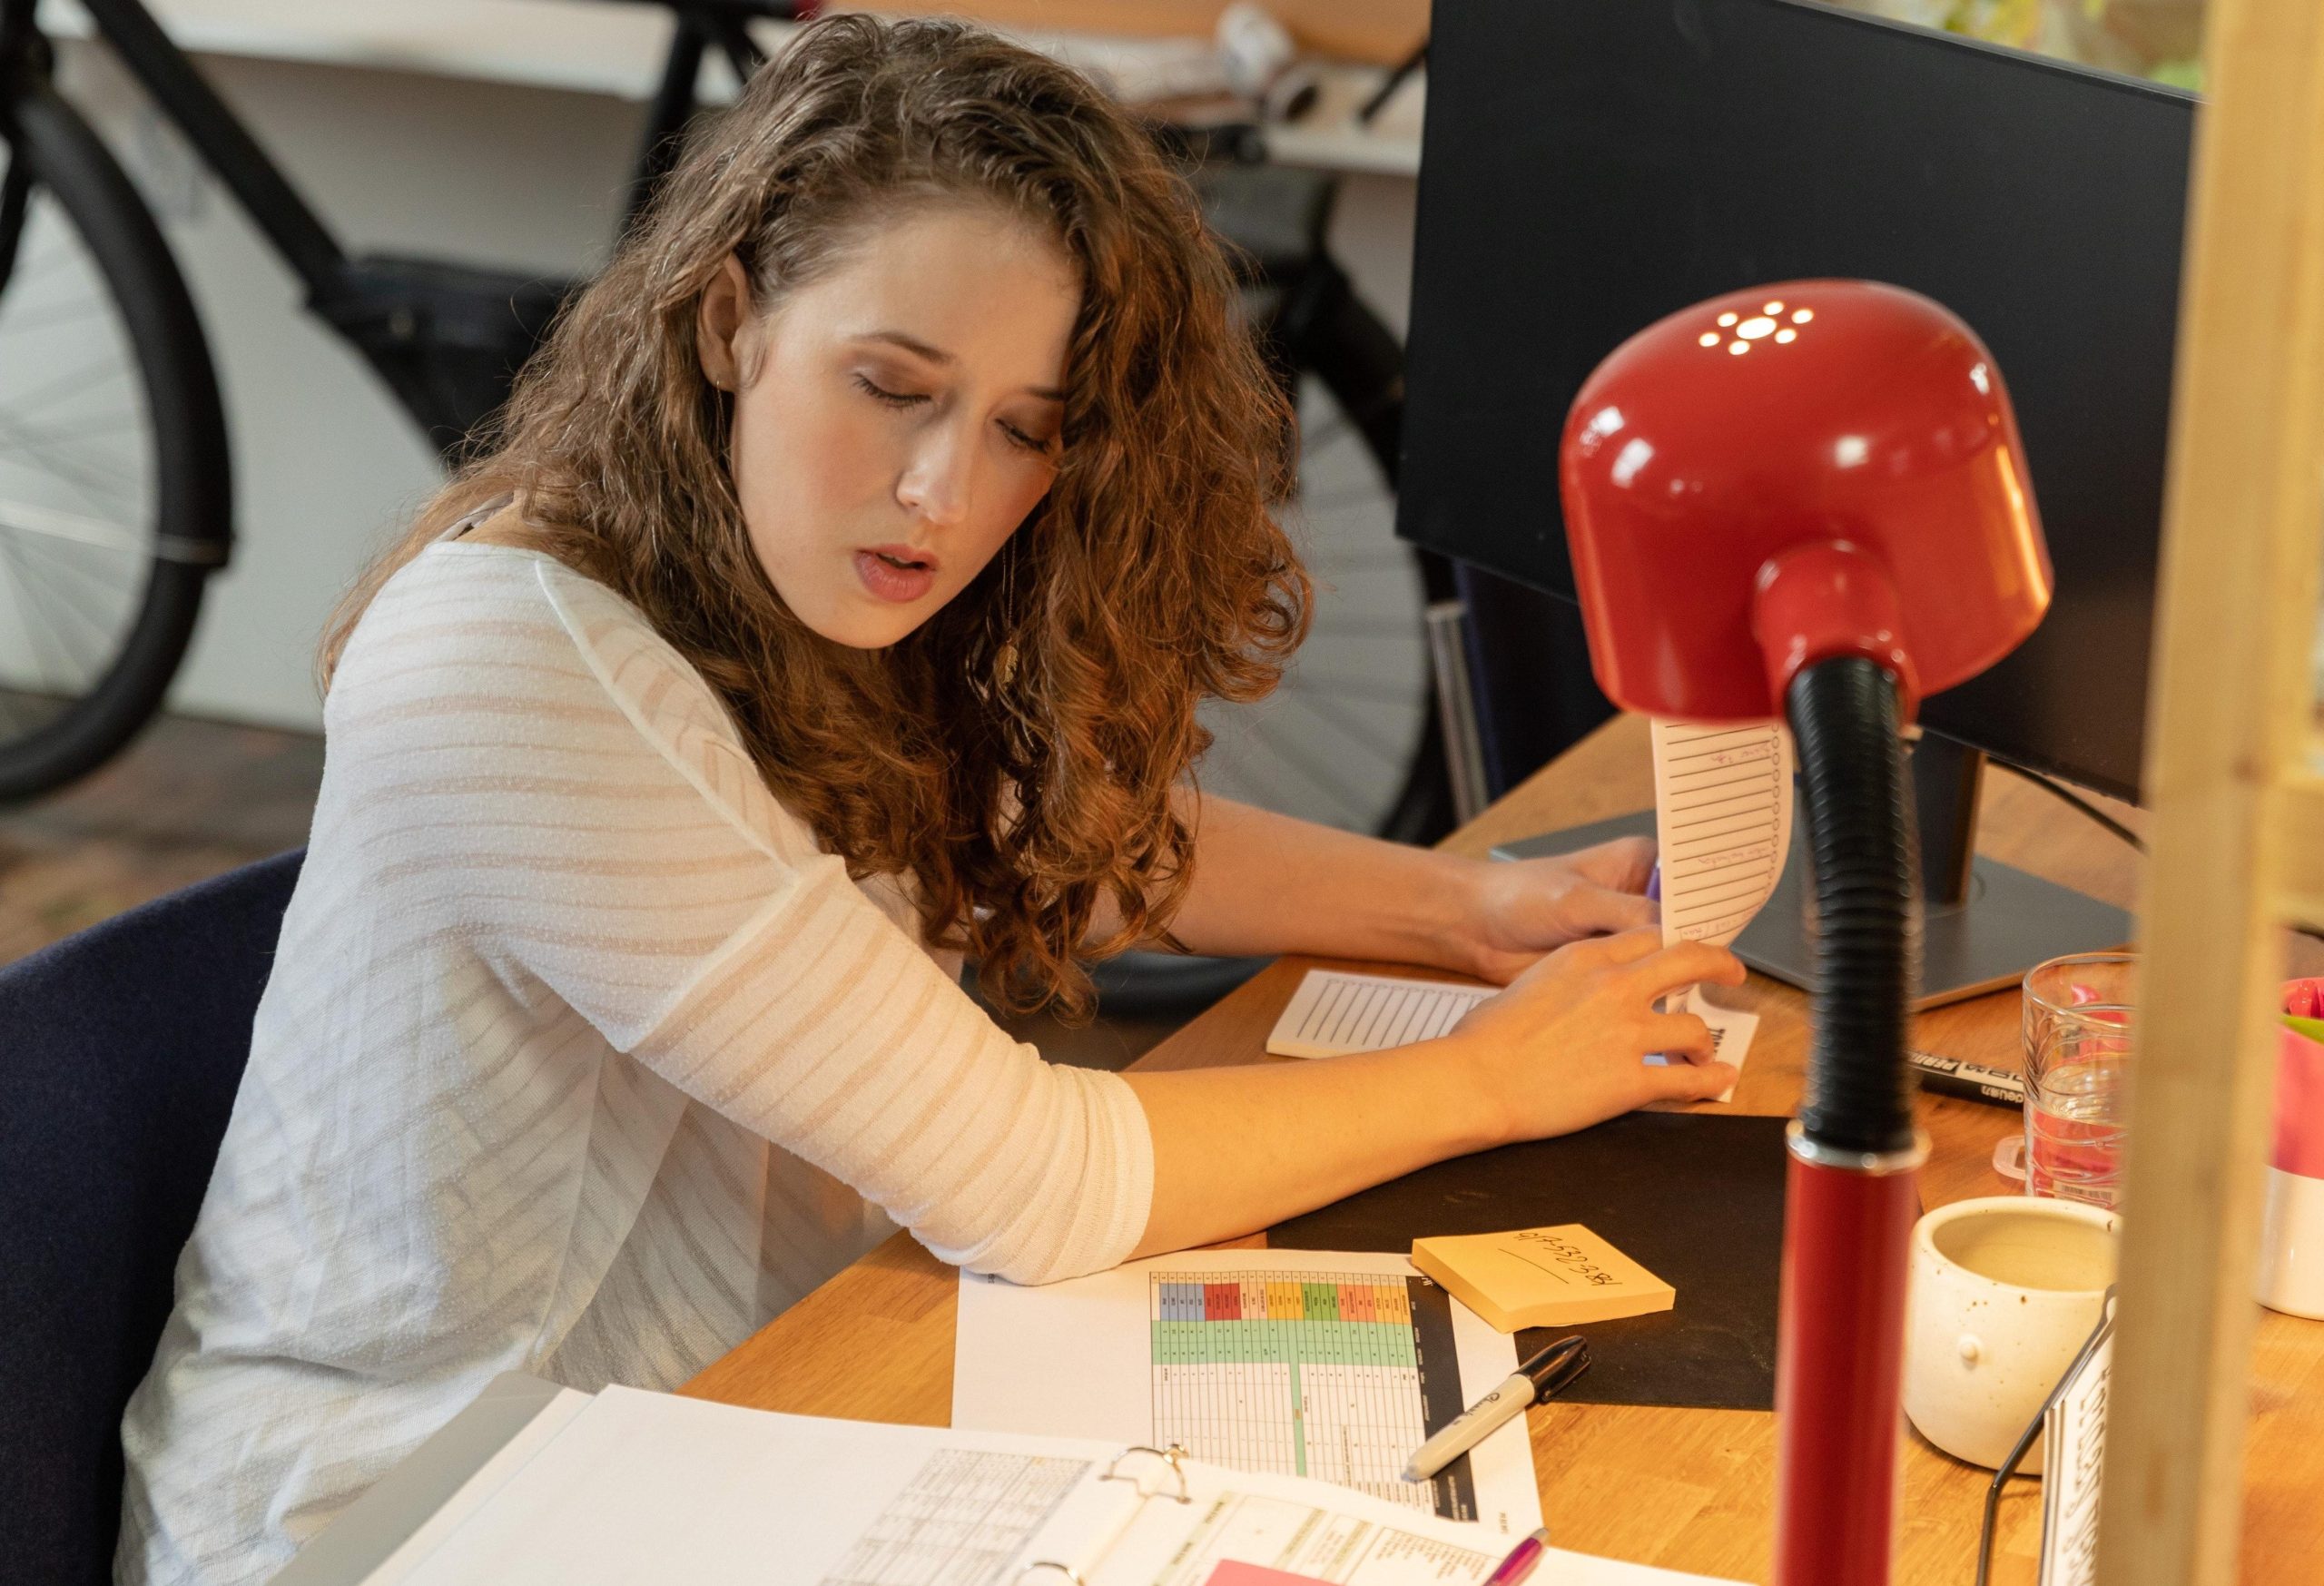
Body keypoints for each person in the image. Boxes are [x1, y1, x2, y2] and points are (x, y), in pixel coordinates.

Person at [115, 16, 1740, 1584]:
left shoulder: (781, 571)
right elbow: (1029, 1182)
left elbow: (1039, 834)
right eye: (891, 386)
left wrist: (1468, 910)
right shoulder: (518, 661)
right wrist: (1498, 1077)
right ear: (726, 319)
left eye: (1026, 431)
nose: (944, 495)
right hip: (412, 1508)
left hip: (740, 1412)